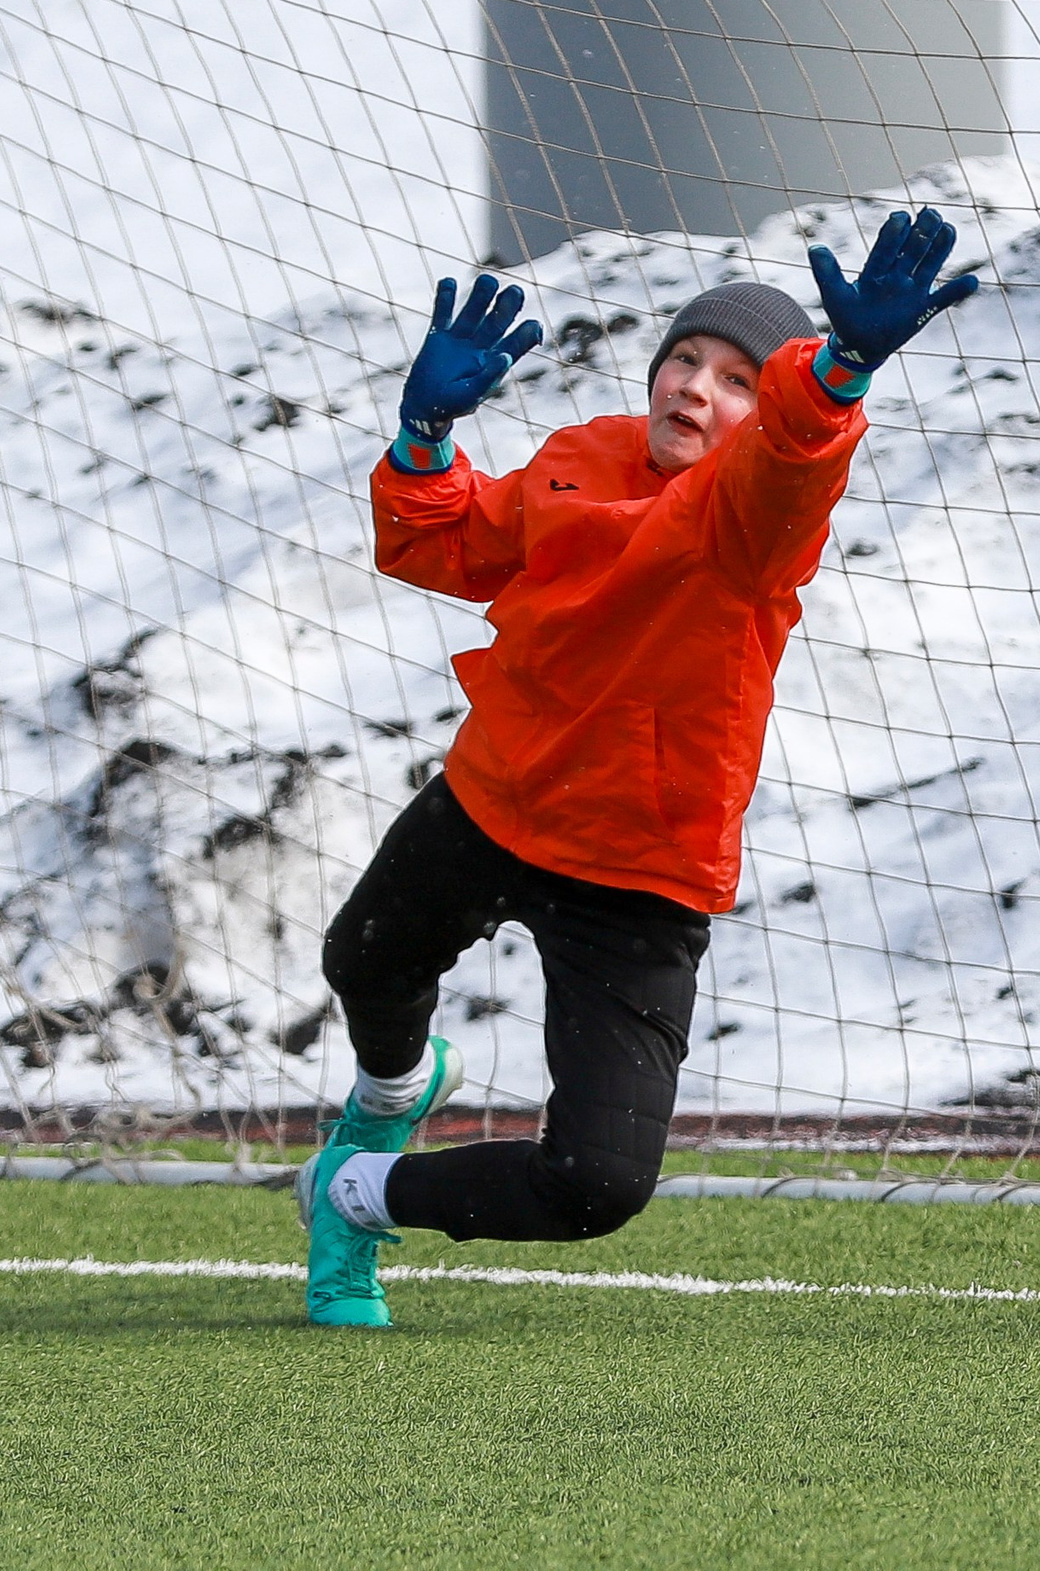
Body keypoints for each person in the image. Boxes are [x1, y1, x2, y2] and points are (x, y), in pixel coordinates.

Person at [297, 207, 979, 1326]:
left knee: (596, 1186)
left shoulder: (753, 517)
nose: (694, 389)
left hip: (636, 868)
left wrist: (841, 369)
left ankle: (359, 1191)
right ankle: (389, 1097)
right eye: (683, 361)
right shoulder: (579, 459)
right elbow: (448, 540)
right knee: (363, 965)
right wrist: (423, 434)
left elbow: (798, 459)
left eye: (735, 380)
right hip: (497, 797)